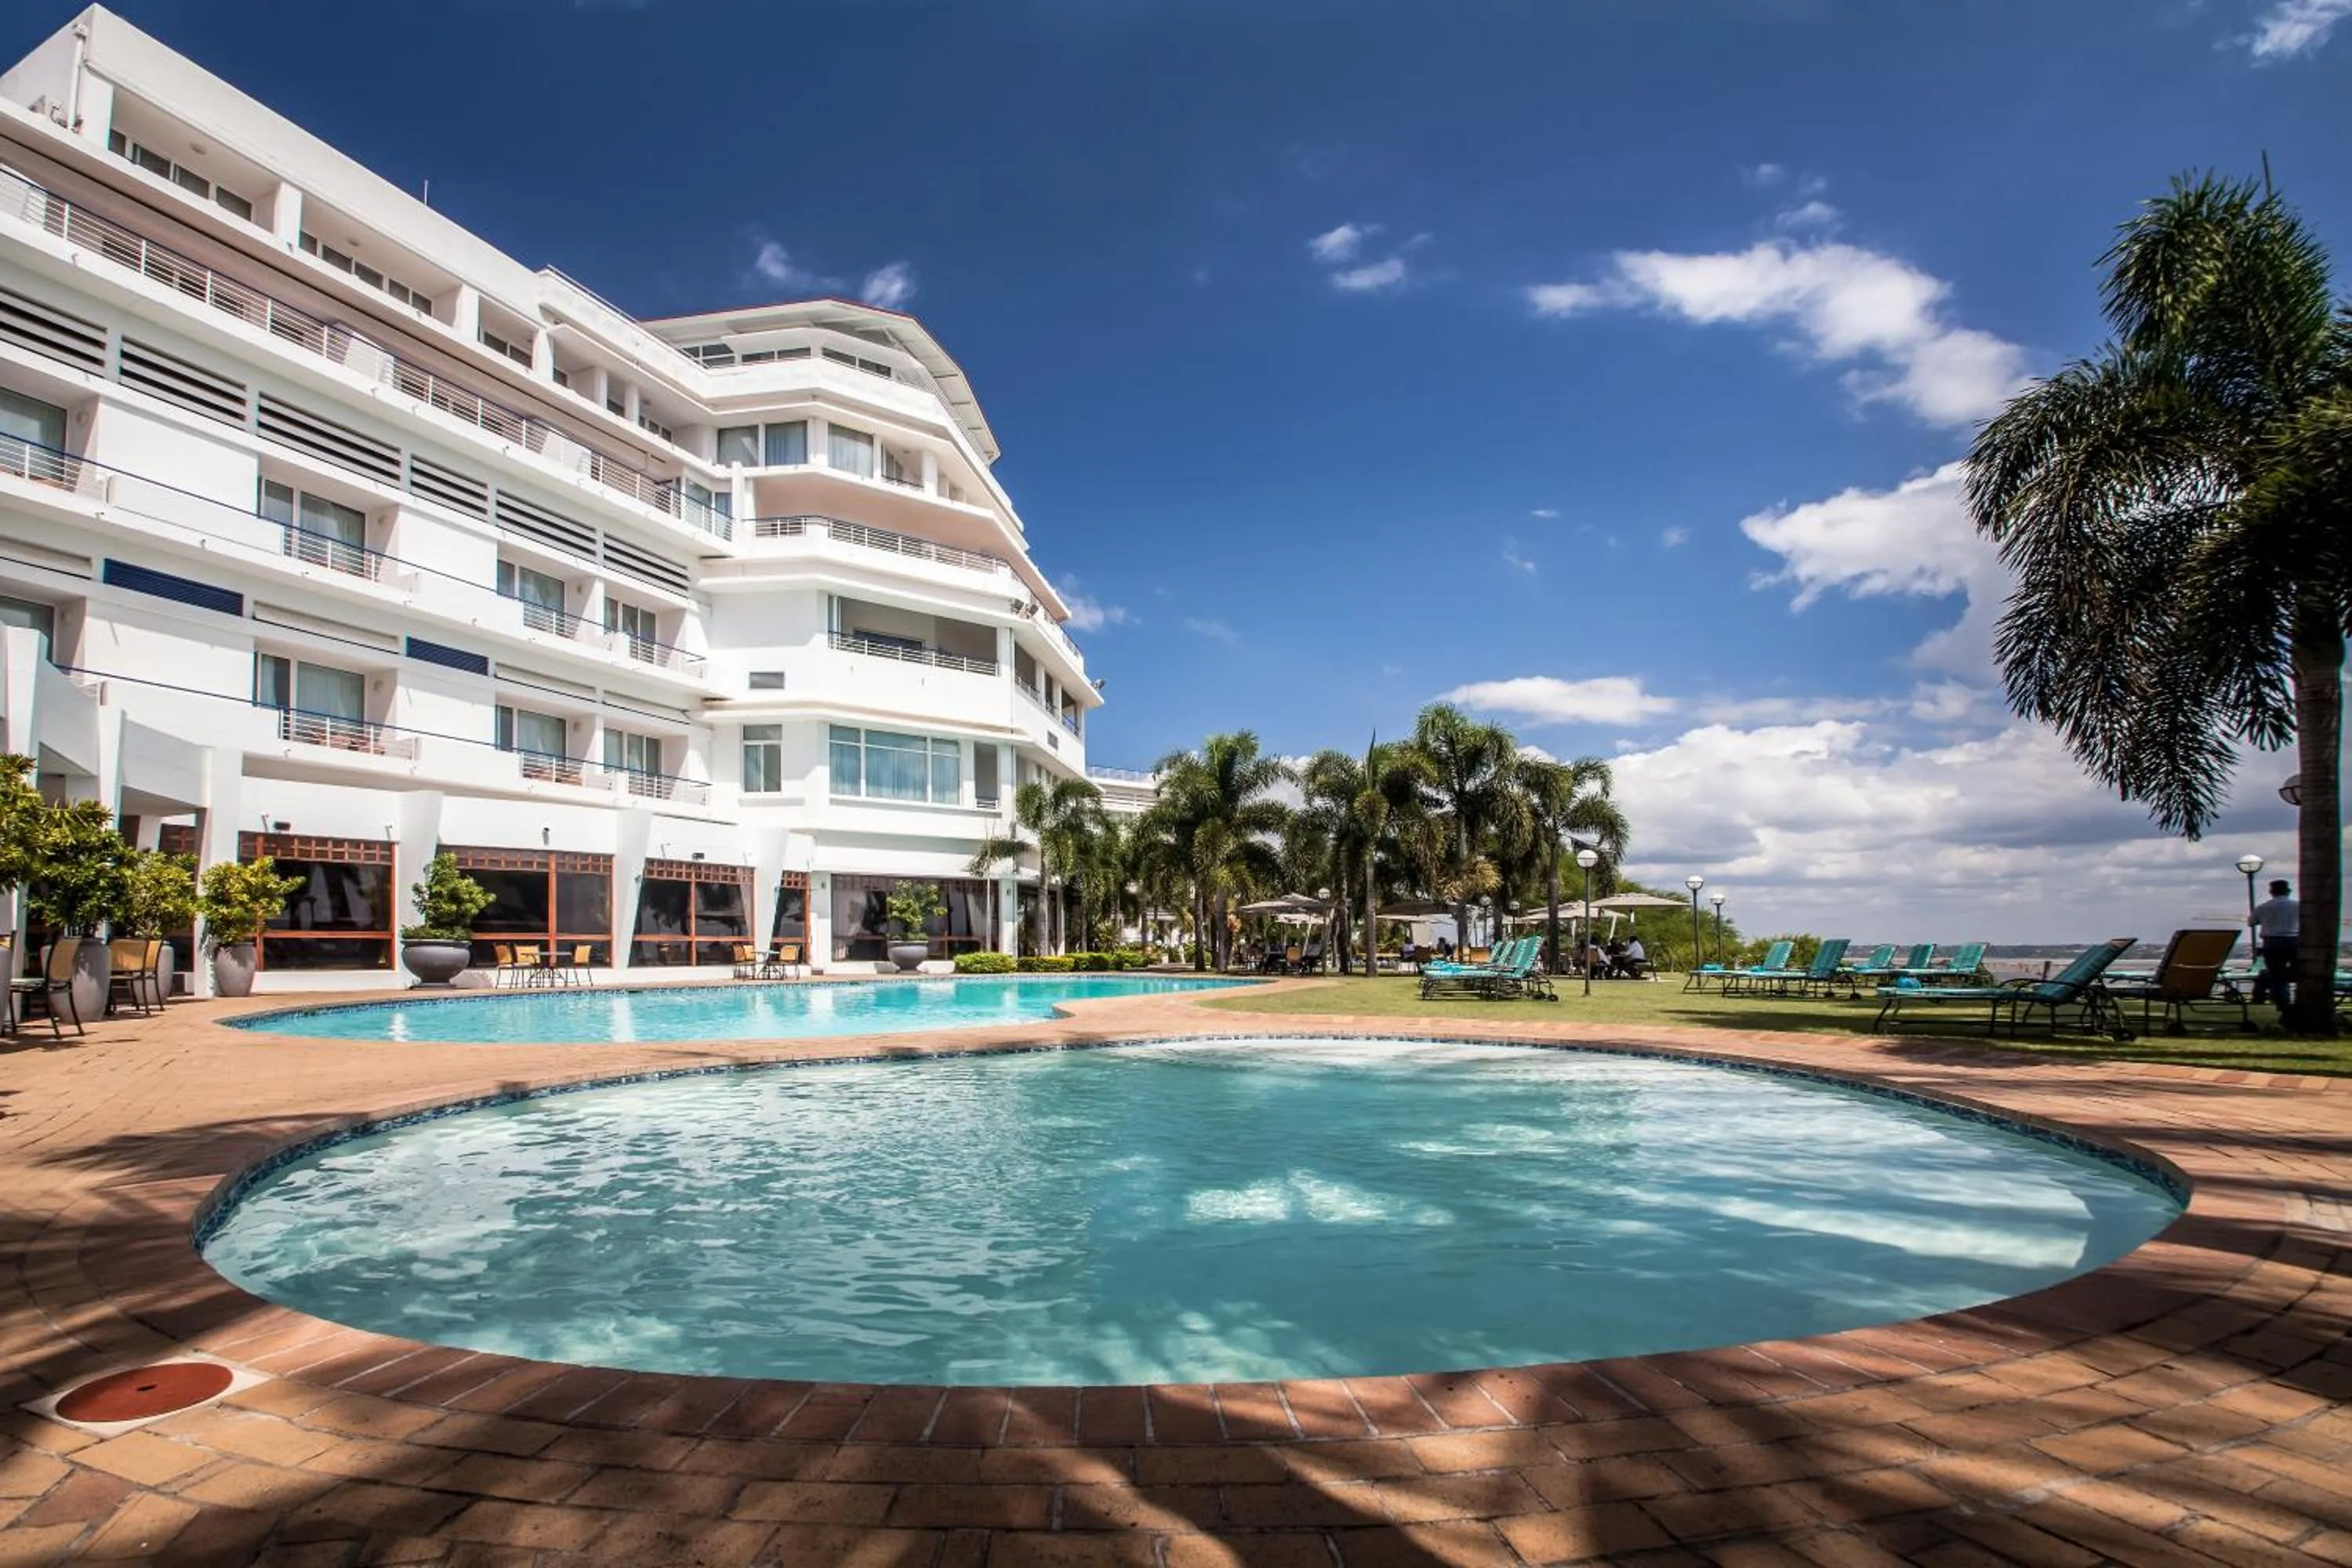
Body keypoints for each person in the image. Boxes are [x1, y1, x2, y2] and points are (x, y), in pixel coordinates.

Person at [2251, 878, 2299, 1017]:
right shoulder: (2298, 906)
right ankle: (2293, 999)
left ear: (2271, 892)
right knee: (2298, 971)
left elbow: (2252, 922)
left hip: (2271, 942)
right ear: (2288, 891)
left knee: (2276, 974)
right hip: (2294, 941)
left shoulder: (2263, 907)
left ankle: (2283, 1003)